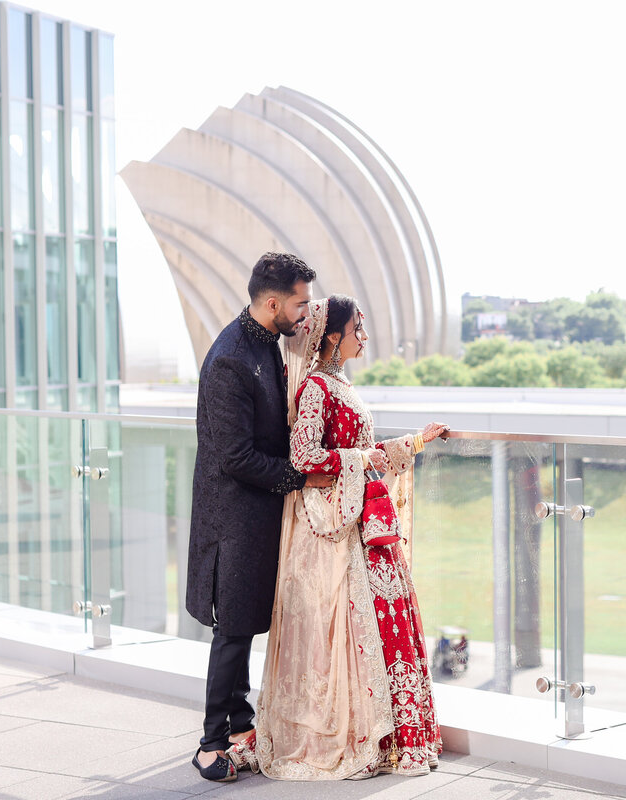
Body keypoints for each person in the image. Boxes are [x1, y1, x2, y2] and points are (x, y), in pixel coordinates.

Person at [229, 294, 448, 780]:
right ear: (333, 336)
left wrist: (413, 442)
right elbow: (305, 457)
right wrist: (360, 461)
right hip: (328, 529)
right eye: (357, 331)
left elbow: (360, 451)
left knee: (384, 619)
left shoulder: (339, 384)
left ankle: (391, 735)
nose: (364, 339)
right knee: (341, 630)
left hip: (357, 516)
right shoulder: (314, 389)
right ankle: (344, 735)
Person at [186, 253, 333, 782]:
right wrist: (303, 476)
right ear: (273, 302)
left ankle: (242, 721)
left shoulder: (266, 343)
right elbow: (235, 457)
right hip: (233, 517)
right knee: (233, 627)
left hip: (258, 510)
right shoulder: (230, 357)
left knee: (247, 624)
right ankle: (209, 742)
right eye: (299, 303)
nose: (304, 312)